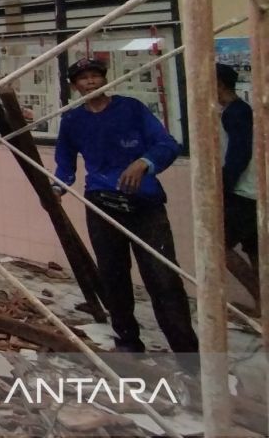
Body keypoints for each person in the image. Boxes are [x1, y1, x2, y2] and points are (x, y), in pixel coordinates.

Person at [53, 56, 198, 354]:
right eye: (84, 78)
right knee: (113, 277)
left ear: (105, 79)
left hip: (145, 205)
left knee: (163, 278)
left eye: (96, 75)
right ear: (74, 86)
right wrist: (57, 187)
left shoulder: (131, 109)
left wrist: (145, 162)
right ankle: (128, 342)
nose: (91, 81)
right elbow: (65, 165)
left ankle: (187, 352)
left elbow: (168, 144)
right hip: (101, 204)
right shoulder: (72, 121)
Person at [217, 63, 259, 301]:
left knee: (218, 245)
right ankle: (262, 303)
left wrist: (222, 186)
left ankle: (260, 297)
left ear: (219, 84)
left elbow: (239, 155)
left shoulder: (236, 112)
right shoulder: (237, 110)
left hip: (242, 191)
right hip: (250, 190)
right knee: (254, 248)